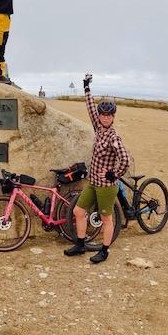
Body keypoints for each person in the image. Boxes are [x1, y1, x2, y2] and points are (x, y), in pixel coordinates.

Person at [64, 73, 131, 263]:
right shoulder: (98, 127)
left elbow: (125, 159)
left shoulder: (113, 137)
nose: (105, 118)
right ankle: (80, 244)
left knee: (106, 219)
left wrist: (113, 174)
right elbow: (90, 108)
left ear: (113, 117)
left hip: (106, 187)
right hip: (93, 183)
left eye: (108, 115)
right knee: (78, 211)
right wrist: (86, 87)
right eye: (103, 115)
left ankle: (105, 251)